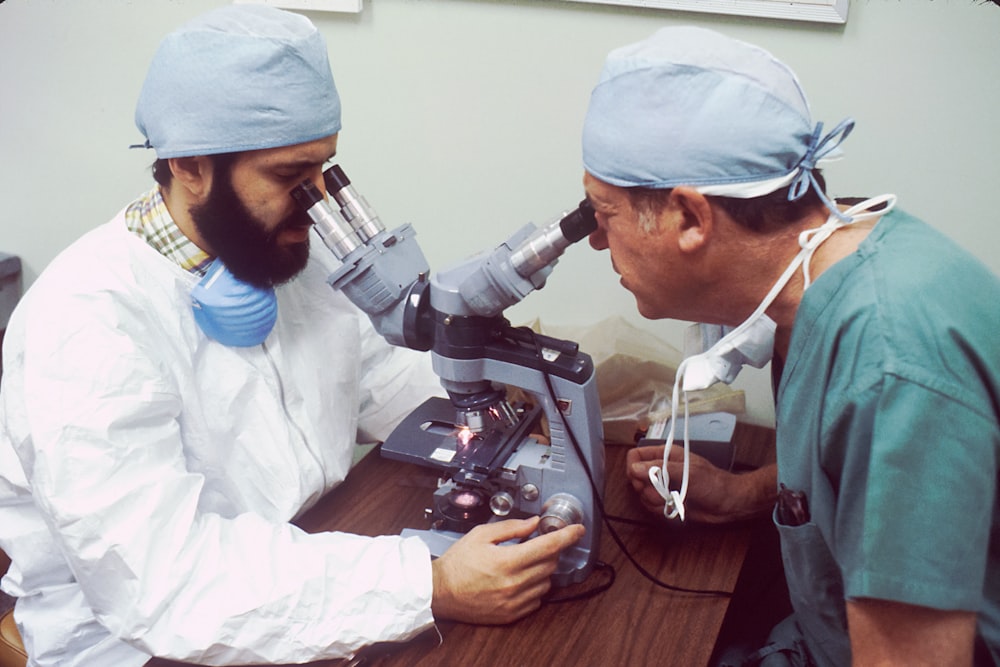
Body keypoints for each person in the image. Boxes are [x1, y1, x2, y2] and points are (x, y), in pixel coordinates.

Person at [0, 6, 584, 666]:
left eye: (324, 174)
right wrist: (427, 581)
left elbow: (390, 382)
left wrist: (505, 414)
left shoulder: (279, 257)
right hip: (135, 639)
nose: (314, 206)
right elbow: (166, 582)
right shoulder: (83, 324)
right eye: (288, 178)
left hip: (311, 560)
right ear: (191, 165)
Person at [581, 26, 1000, 667]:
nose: (596, 244)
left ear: (691, 217)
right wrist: (742, 496)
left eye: (603, 215)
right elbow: (864, 477)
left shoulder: (890, 364)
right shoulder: (833, 259)